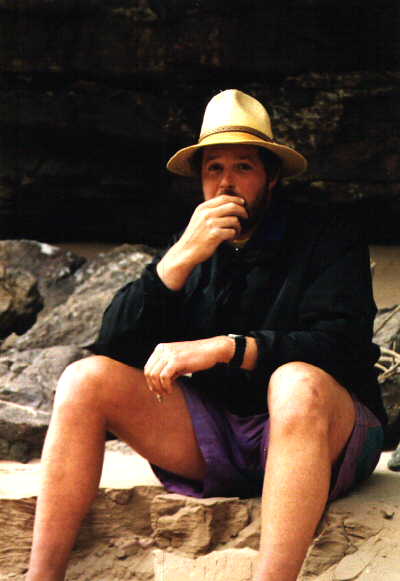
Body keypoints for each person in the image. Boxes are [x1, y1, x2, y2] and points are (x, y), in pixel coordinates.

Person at [26, 89, 387, 581]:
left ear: (271, 176)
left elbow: (342, 347)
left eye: (243, 167)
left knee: (296, 382)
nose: (226, 183)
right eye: (214, 169)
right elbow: (113, 347)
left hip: (322, 433)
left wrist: (227, 348)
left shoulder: (328, 233)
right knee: (82, 380)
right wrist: (177, 262)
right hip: (221, 437)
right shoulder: (191, 243)